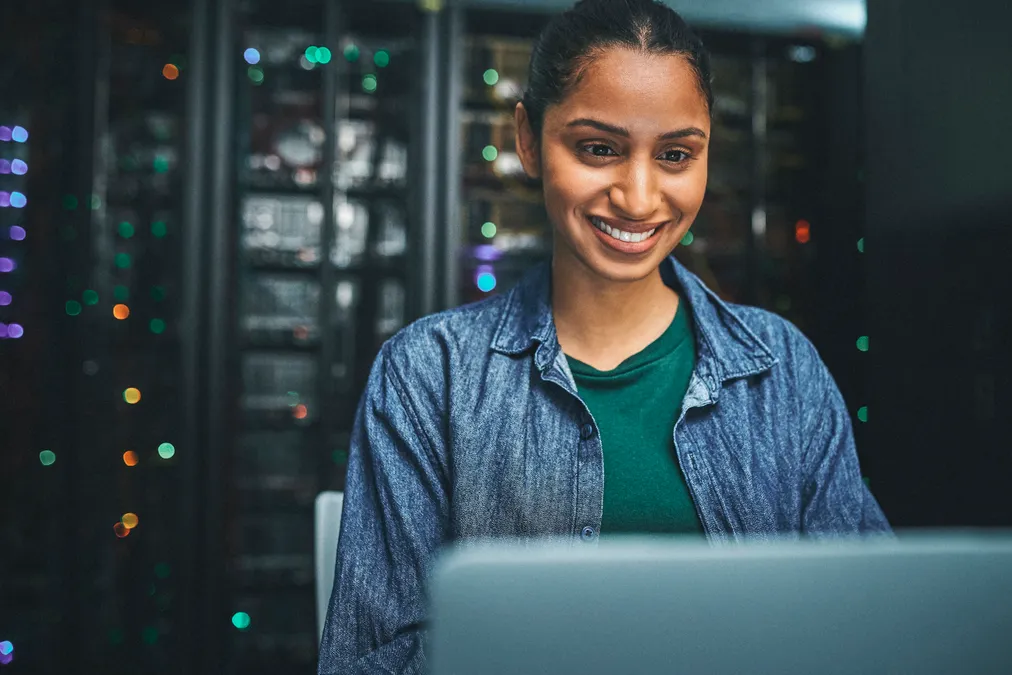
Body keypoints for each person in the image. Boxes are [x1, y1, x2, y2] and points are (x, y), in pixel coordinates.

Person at [318, 0, 890, 672]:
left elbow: (865, 628)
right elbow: (368, 659)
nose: (639, 197)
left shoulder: (784, 369)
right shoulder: (426, 374)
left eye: (676, 154)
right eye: (598, 148)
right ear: (528, 139)